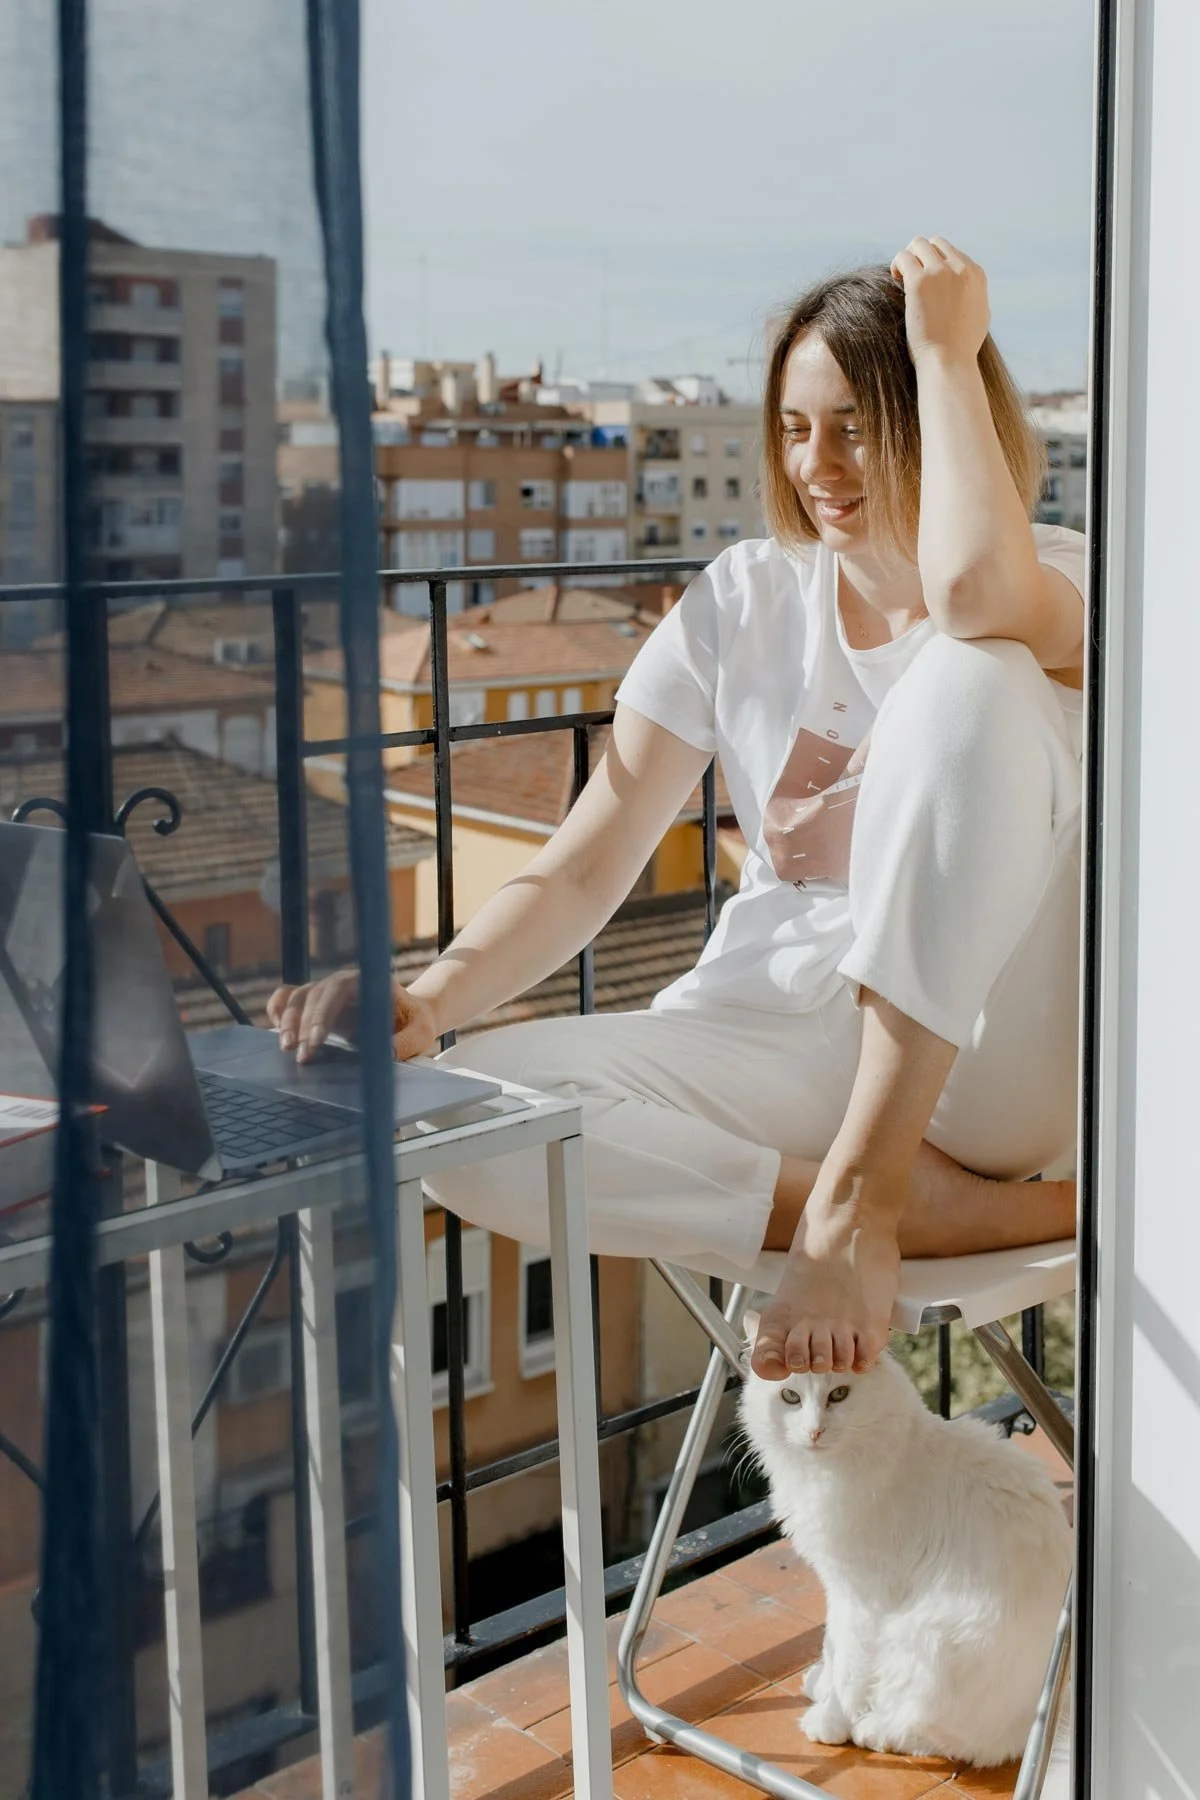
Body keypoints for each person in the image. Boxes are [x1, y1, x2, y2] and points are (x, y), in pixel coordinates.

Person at [269, 235, 1085, 1386]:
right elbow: (588, 861)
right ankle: (920, 1208)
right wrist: (431, 1000)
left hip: (979, 1061)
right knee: (458, 1124)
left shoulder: (1063, 583)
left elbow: (972, 594)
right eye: (796, 430)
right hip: (769, 1035)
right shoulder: (747, 596)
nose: (819, 465)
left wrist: (946, 352)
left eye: (856, 424)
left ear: (936, 419)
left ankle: (865, 1197)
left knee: (972, 668)